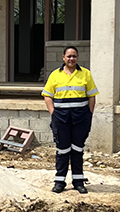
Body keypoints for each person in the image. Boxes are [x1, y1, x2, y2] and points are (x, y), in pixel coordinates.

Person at [41, 46, 98, 194]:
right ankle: (60, 182)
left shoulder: (85, 74)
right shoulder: (55, 75)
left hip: (80, 118)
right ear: (63, 57)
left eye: (74, 56)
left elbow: (92, 96)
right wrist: (54, 114)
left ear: (77, 58)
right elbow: (47, 95)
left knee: (77, 149)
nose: (71, 59)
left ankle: (78, 182)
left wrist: (89, 115)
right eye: (69, 56)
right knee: (62, 150)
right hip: (61, 118)